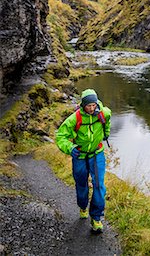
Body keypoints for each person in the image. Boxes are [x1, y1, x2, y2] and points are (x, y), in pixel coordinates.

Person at [56, 88, 111, 233]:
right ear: (83, 105)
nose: (92, 108)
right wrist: (70, 148)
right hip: (79, 155)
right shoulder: (75, 118)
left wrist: (106, 134)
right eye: (89, 106)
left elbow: (108, 120)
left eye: (94, 105)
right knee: (81, 185)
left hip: (97, 154)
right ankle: (82, 206)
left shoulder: (103, 112)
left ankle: (96, 218)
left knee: (99, 185)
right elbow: (60, 136)